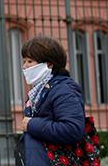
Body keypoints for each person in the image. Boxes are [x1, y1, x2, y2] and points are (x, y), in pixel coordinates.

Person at [18, 36, 85, 166]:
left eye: (29, 61)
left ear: (49, 64)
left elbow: (73, 129)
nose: (24, 66)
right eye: (24, 61)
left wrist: (32, 124)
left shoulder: (64, 90)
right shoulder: (39, 91)